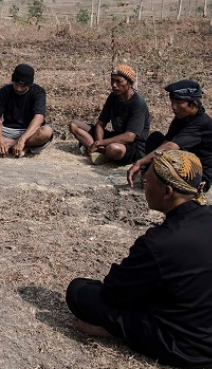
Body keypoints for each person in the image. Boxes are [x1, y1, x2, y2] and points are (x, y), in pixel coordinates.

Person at [66, 150, 212, 368]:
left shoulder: (160, 243)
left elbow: (112, 294)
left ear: (167, 192)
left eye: (148, 180)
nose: (144, 183)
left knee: (79, 291)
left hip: (188, 347)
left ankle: (112, 330)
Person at [127, 79, 212, 192]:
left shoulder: (201, 122)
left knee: (166, 157)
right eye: (172, 102)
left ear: (194, 104)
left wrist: (140, 162)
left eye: (179, 103)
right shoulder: (181, 118)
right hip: (180, 163)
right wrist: (150, 168)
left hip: (196, 175)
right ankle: (150, 176)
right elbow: (166, 142)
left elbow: (171, 147)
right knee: (155, 138)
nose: (174, 107)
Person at [70, 65, 150, 166]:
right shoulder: (113, 97)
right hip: (115, 137)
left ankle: (99, 152)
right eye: (112, 81)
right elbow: (100, 124)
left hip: (133, 146)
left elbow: (130, 137)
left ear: (129, 83)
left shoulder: (138, 104)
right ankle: (99, 152)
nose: (114, 85)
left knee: (114, 149)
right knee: (74, 125)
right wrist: (100, 143)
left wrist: (102, 143)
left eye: (118, 81)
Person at [0, 63, 53, 157]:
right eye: (16, 84)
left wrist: (22, 139)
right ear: (13, 80)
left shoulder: (38, 92)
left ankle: (11, 145)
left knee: (46, 132)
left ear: (30, 84)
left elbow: (39, 118)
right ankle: (19, 147)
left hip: (29, 131)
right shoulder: (3, 92)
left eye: (23, 86)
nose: (19, 88)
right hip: (7, 130)